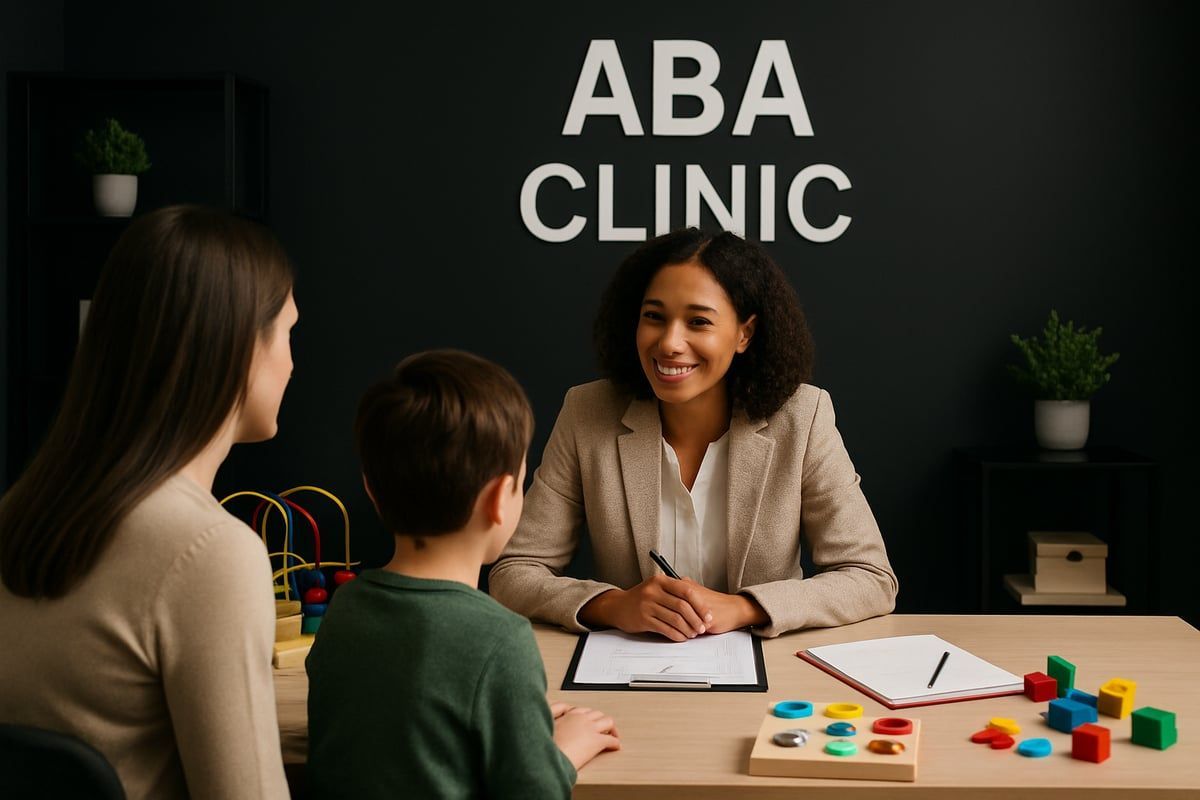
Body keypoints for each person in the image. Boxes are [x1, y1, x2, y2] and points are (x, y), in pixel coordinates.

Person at [0, 205, 296, 799]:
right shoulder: (210, 552)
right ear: (239, 345)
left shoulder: (21, 511)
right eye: (288, 332)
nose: (291, 361)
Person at [489, 229, 898, 640]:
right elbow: (513, 572)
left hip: (769, 675)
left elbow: (871, 578)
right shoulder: (587, 412)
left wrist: (744, 608)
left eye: (698, 321)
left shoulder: (802, 417)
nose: (669, 343)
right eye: (654, 317)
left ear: (745, 334)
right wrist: (614, 605)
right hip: (627, 670)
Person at [305, 350, 620, 799]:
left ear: (372, 491)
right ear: (498, 500)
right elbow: (533, 792)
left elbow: (407, 731)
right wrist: (561, 751)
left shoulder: (345, 612)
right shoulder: (499, 639)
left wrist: (519, 725)